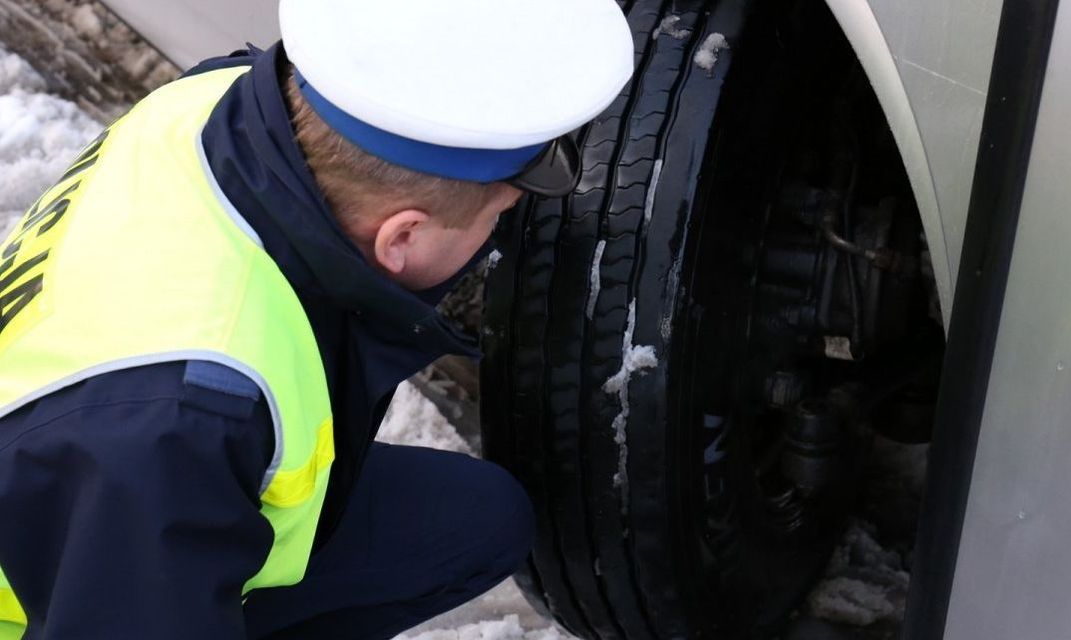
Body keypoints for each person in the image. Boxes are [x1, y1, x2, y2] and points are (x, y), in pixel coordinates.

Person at [0, 0, 633, 637]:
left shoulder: (215, 97)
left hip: (86, 484)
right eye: (494, 216)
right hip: (64, 582)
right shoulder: (190, 418)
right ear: (401, 238)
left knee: (477, 521)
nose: (496, 233)